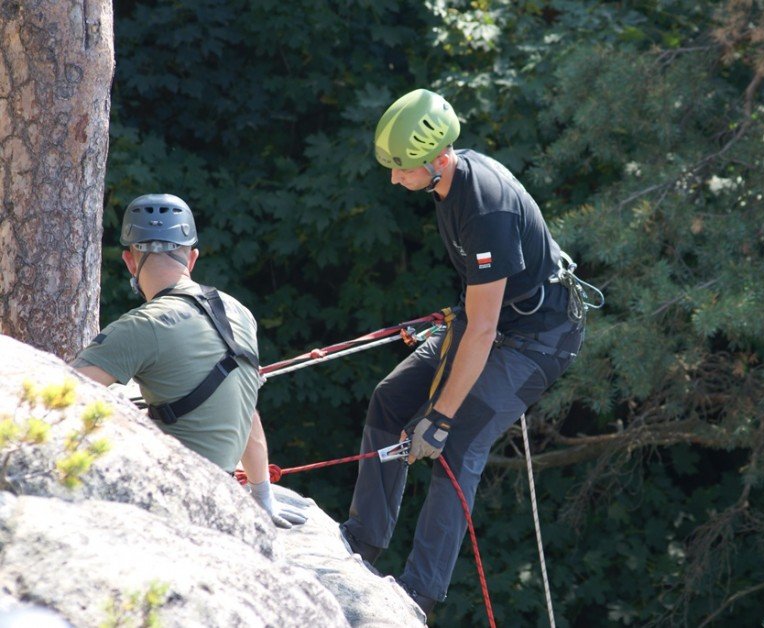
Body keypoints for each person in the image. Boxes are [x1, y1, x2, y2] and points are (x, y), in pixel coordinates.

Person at [341, 89, 590, 615]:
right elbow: (478, 309)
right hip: (490, 322)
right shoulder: (446, 185)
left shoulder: (485, 208)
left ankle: (419, 593)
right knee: (391, 399)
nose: (394, 178)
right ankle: (363, 539)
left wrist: (441, 415)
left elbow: (483, 330)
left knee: (457, 442)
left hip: (536, 341)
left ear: (437, 159)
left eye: (402, 168)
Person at [71, 193, 304, 529]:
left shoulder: (142, 326)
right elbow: (246, 409)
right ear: (191, 258)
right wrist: (262, 496)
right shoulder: (239, 312)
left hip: (176, 495)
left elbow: (64, 396)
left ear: (129, 261)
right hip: (223, 490)